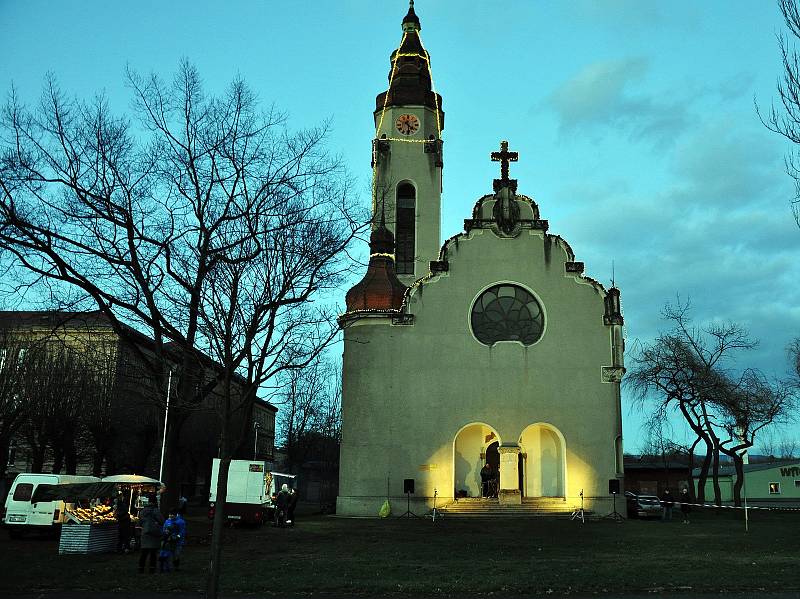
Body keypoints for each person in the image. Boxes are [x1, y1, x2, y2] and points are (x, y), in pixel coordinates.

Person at [138, 495, 164, 574]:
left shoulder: (143, 511)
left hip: (145, 533)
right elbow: (162, 521)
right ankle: (152, 569)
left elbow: (140, 522)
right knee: (153, 553)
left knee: (144, 552)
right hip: (154, 534)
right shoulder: (156, 511)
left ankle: (141, 568)